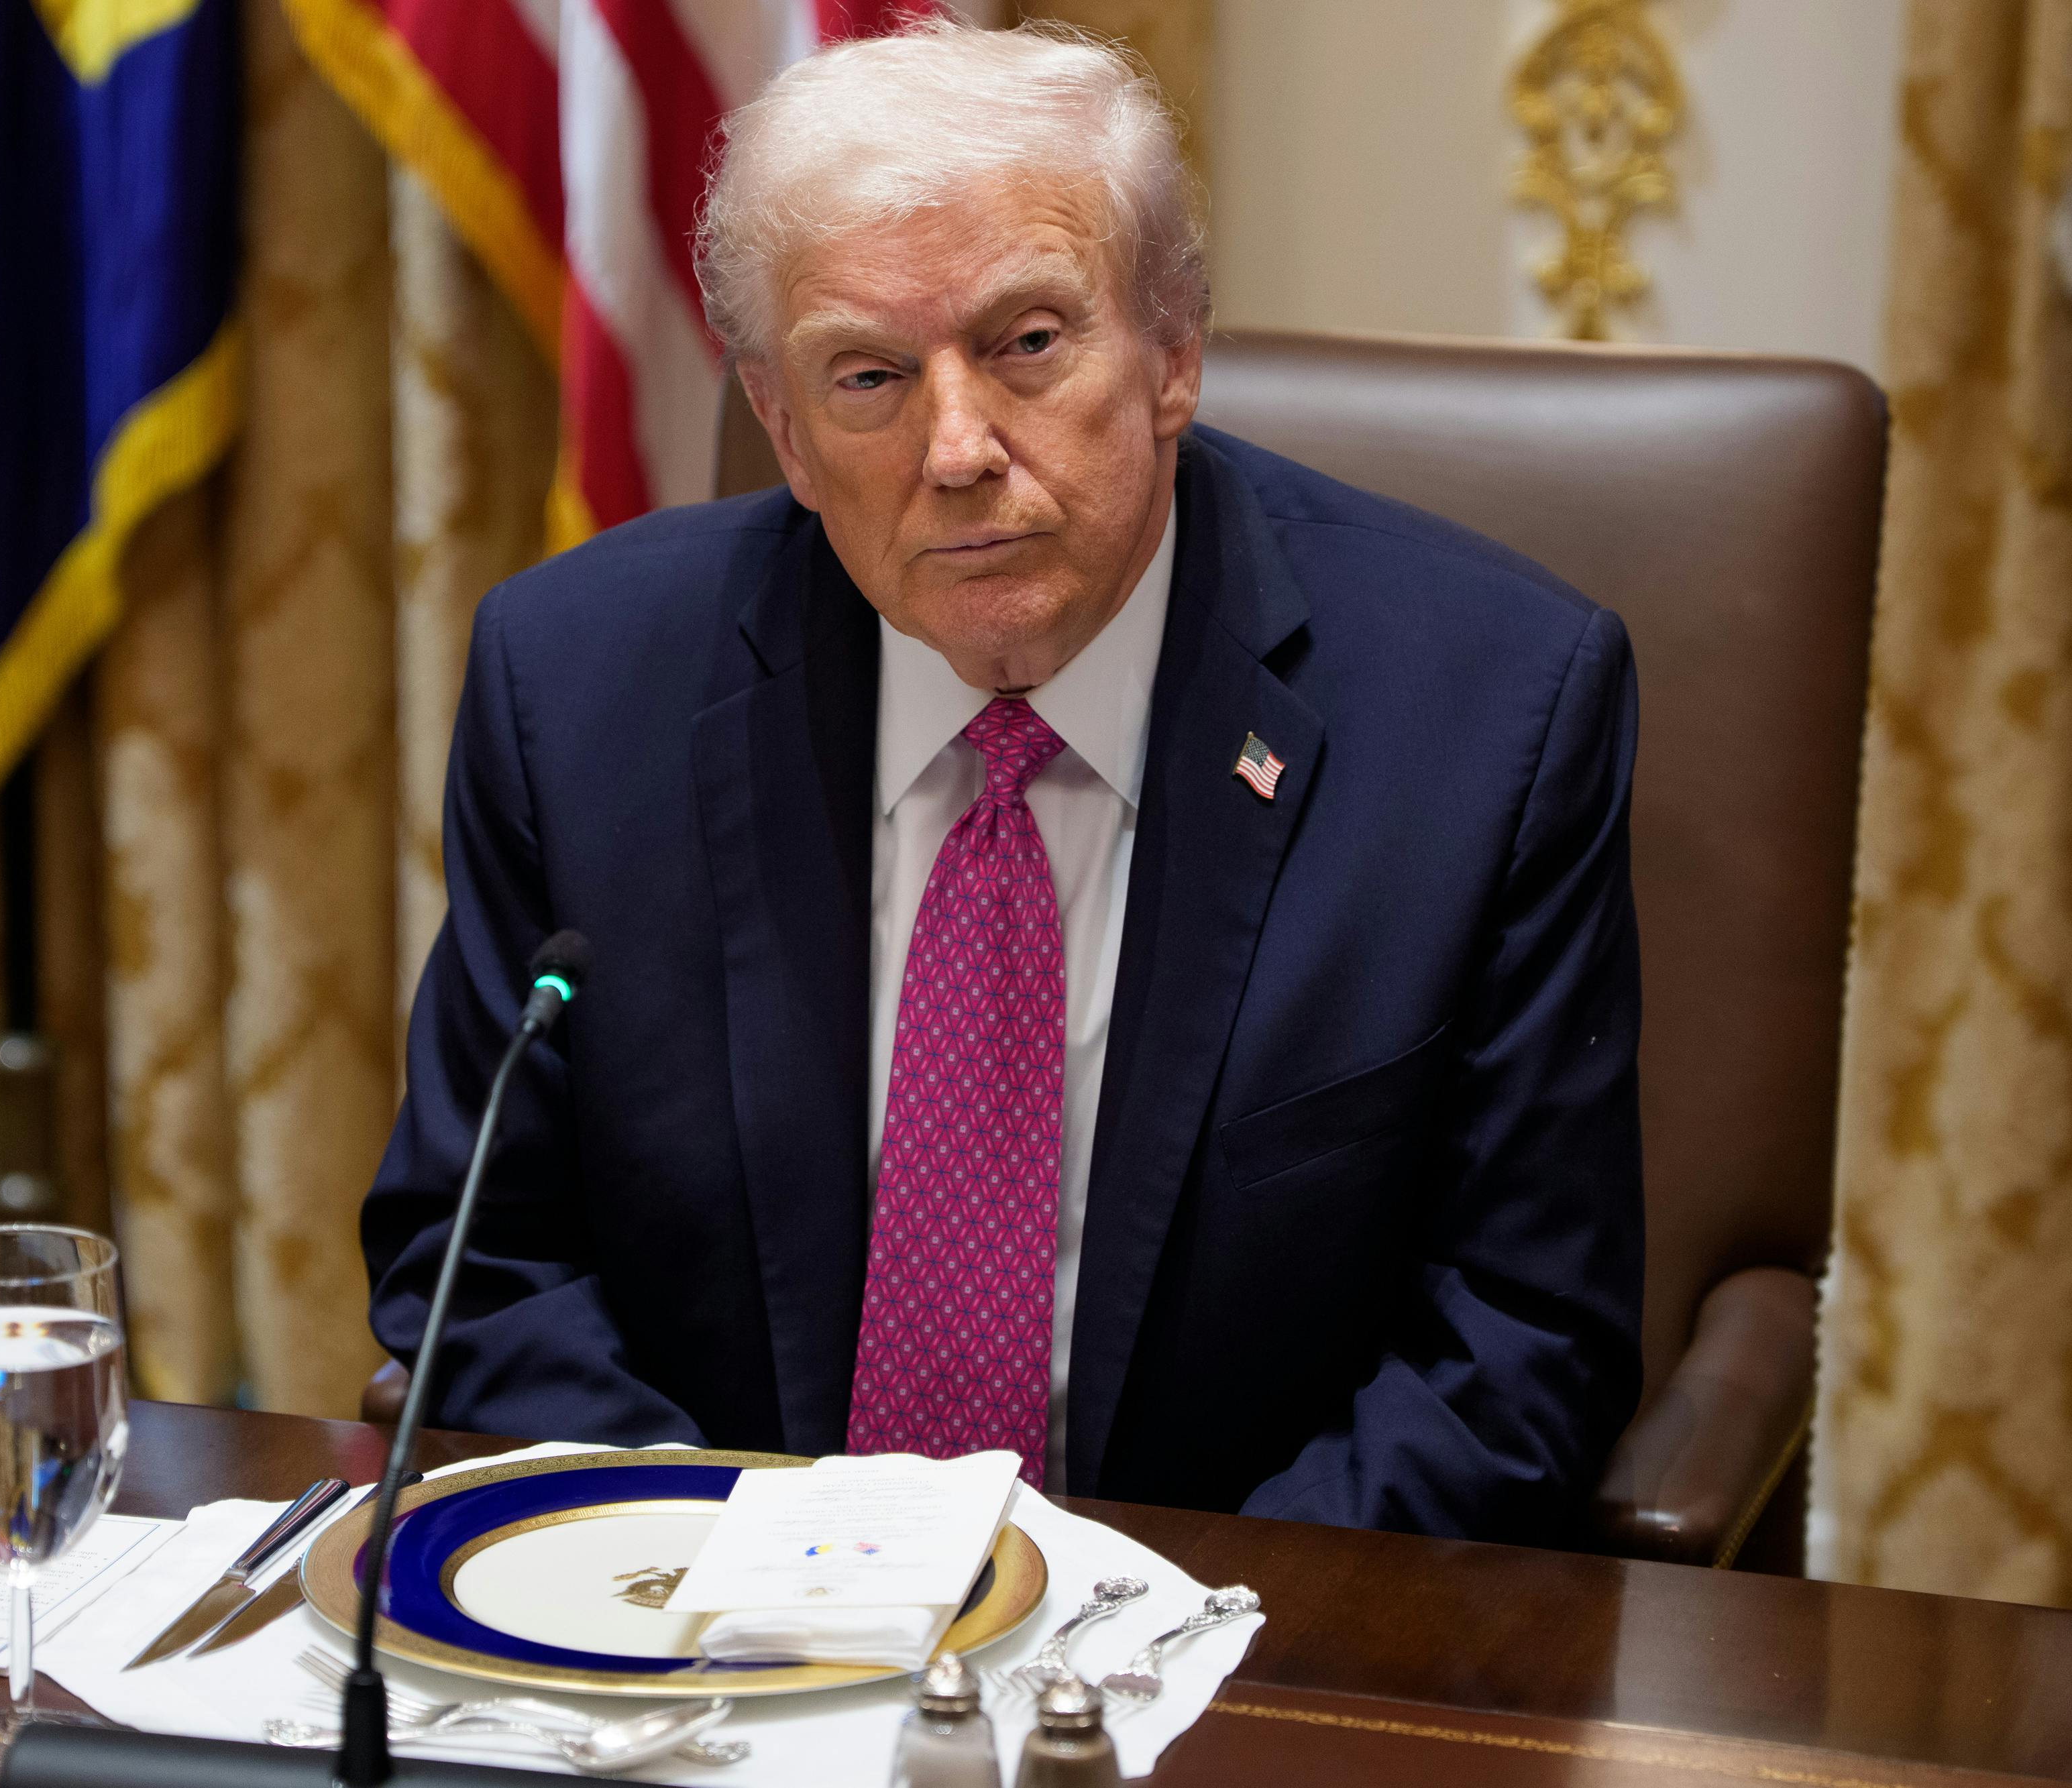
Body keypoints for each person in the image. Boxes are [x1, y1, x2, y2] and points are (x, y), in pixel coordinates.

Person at [364, 19, 1643, 1543]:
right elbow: (479, 1256)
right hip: (719, 1658)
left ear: (1170, 354)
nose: (957, 446)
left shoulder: (1486, 716)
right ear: (779, 425)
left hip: (1228, 1663)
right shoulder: (574, 692)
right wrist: (739, 1587)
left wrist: (1148, 1645)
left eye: (1028, 343)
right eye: (867, 377)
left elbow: (1518, 1342)